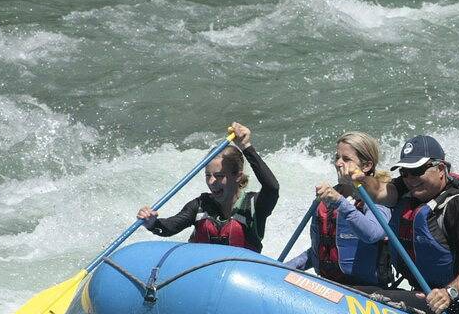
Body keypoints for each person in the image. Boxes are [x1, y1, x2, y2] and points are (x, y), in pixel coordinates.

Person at [355, 135, 459, 314]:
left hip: (457, 304)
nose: (411, 179)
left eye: (418, 170)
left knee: (373, 300)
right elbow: (378, 191)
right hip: (421, 294)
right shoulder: (410, 187)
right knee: (353, 292)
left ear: (441, 169)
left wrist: (449, 293)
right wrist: (358, 178)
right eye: (405, 172)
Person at [136, 122, 279, 252]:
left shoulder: (254, 206)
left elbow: (272, 188)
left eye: (219, 176)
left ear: (237, 176)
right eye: (207, 175)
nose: (211, 182)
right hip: (204, 278)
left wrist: (246, 147)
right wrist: (152, 223)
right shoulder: (200, 205)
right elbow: (168, 228)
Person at [286, 132, 392, 286]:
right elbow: (322, 249)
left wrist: (340, 203)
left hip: (366, 292)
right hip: (330, 285)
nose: (338, 163)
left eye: (346, 159)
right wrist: (289, 267)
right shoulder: (331, 197)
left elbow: (372, 233)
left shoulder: (378, 197)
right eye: (337, 157)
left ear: (367, 166)